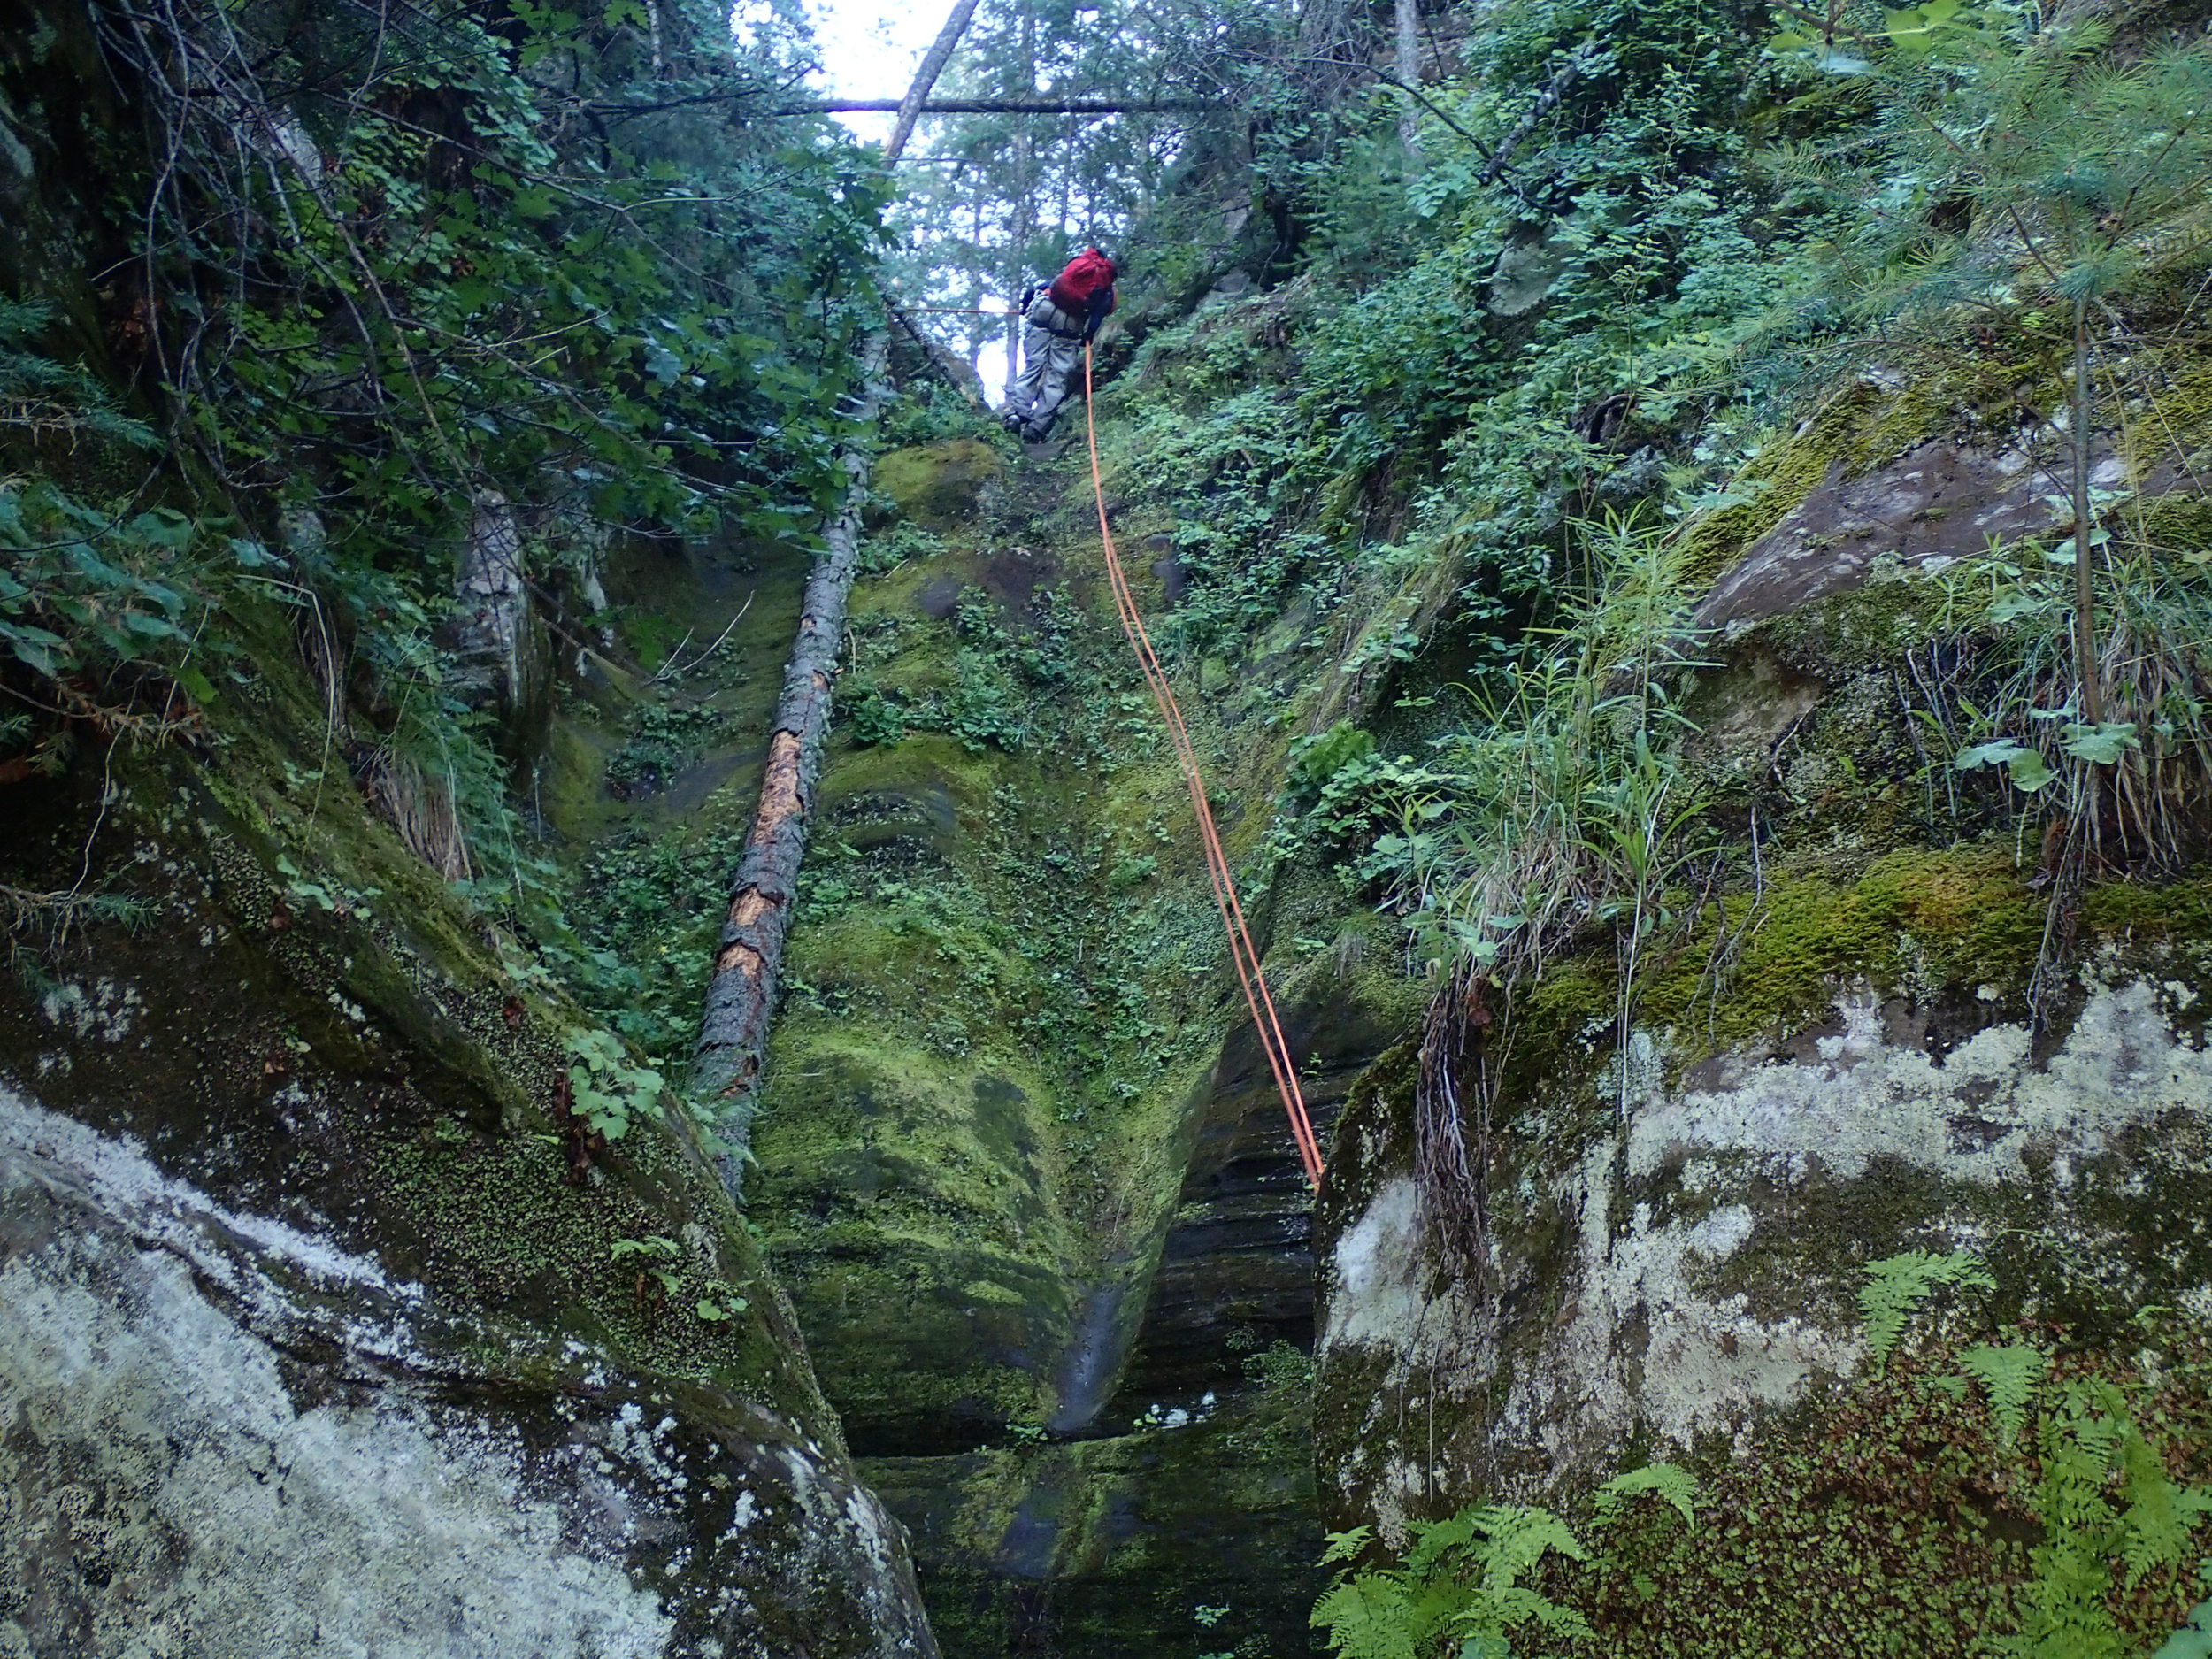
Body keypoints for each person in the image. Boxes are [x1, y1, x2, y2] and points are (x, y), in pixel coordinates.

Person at [1002, 246, 1118, 442]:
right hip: (1071, 325)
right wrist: (1087, 337)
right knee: (1057, 376)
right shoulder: (1106, 288)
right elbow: (1096, 317)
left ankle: (1016, 414)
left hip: (1044, 312)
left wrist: (1025, 307)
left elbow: (1037, 289)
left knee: (1033, 365)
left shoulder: (1076, 269)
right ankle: (1037, 427)